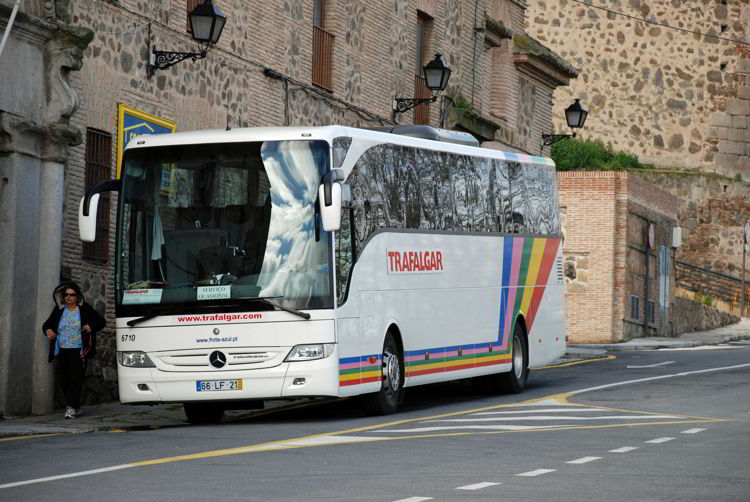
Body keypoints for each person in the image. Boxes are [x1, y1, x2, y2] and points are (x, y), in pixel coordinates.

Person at [42, 282, 106, 419]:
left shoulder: (84, 309)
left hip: (79, 350)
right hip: (62, 350)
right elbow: (47, 324)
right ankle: (75, 406)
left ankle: (71, 408)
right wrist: (48, 330)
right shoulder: (59, 310)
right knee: (63, 379)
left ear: (77, 297)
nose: (69, 297)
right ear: (63, 297)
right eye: (66, 295)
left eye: (72, 295)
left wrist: (90, 326)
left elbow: (101, 321)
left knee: (75, 379)